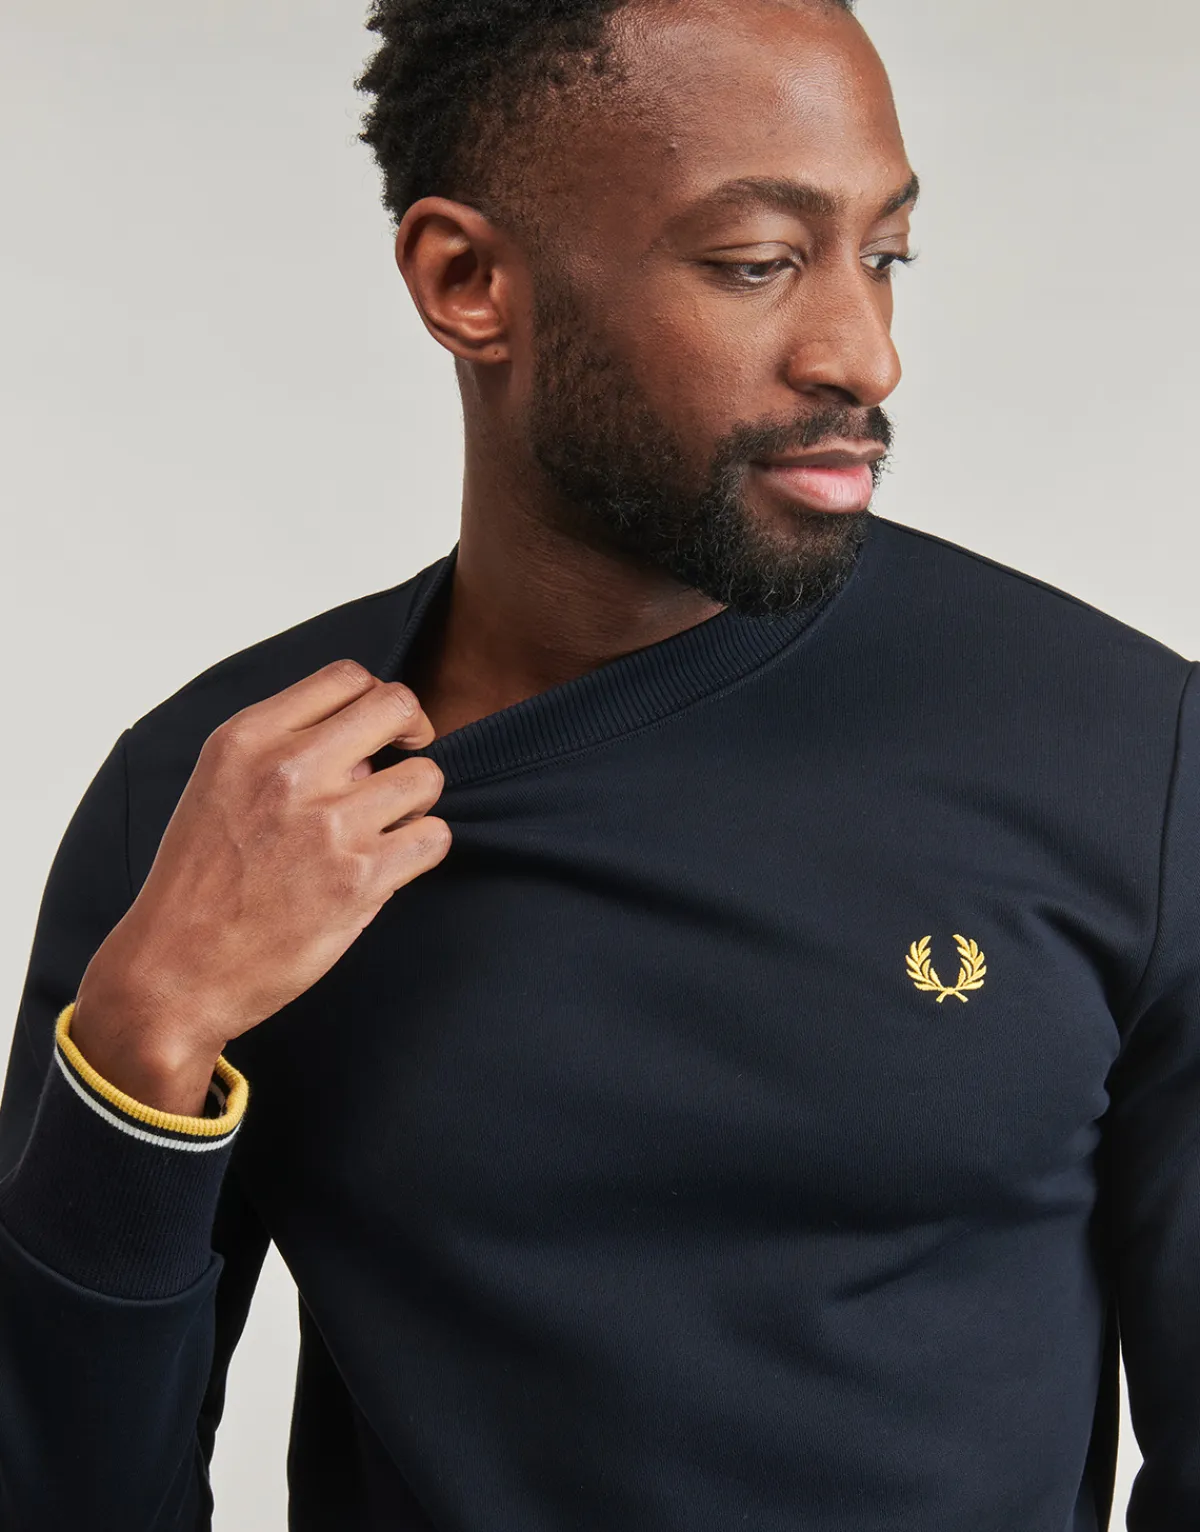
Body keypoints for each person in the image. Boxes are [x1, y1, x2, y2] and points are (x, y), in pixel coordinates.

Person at [0, 0, 1195, 1527]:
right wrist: (145, 1036)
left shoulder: (1130, 752)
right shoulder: (220, 813)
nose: (865, 351)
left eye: (885, 253)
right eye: (758, 261)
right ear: (468, 281)